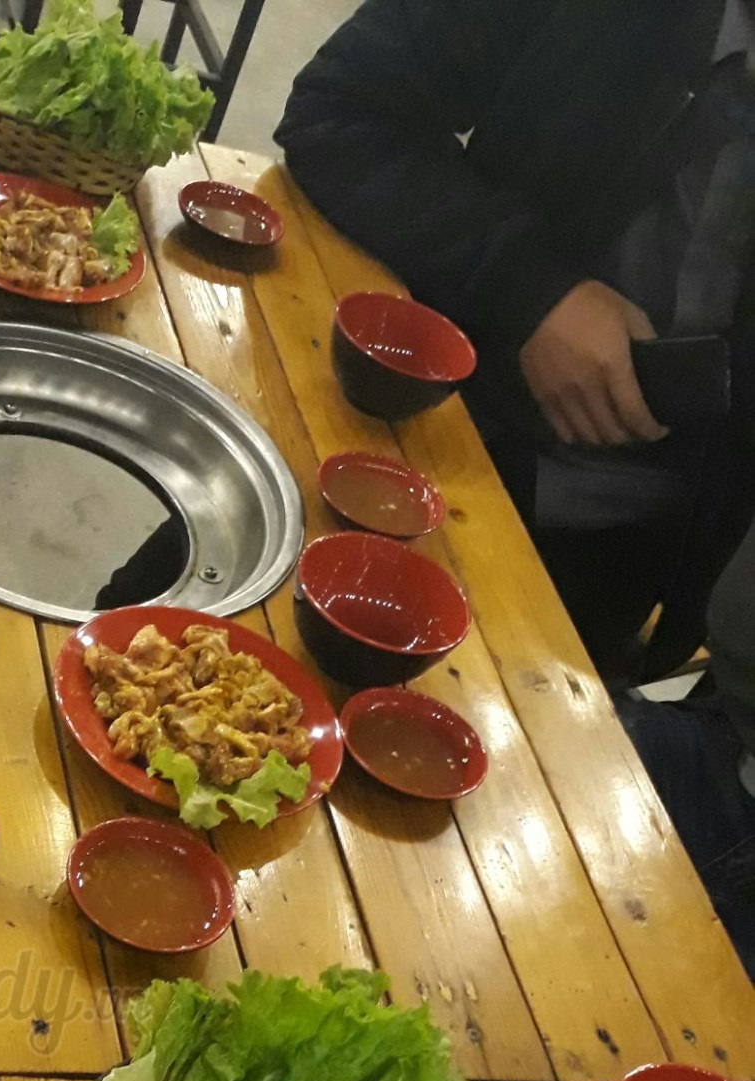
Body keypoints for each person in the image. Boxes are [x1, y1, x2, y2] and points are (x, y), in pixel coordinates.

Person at [277, 0, 755, 965]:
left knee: (425, 926)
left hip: (614, 574)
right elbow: (336, 111)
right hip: (409, 431)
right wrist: (532, 291)